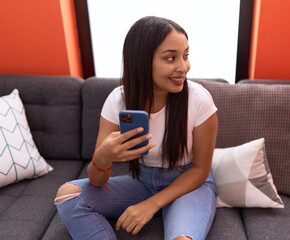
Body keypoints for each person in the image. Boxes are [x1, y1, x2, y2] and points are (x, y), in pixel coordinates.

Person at [55, 16, 218, 240]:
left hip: (187, 186)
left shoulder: (199, 100)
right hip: (142, 182)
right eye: (171, 58)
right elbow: (97, 181)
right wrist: (102, 157)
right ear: (141, 61)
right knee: (68, 195)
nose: (184, 67)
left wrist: (150, 205)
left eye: (186, 55)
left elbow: (200, 170)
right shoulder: (117, 101)